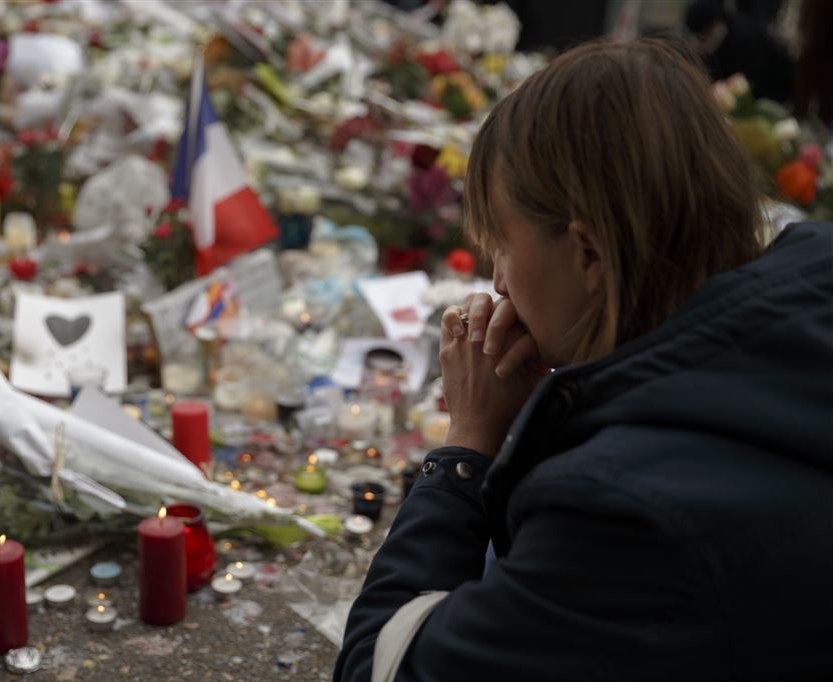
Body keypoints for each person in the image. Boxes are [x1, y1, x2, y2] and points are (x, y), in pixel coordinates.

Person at [334, 38, 832, 681]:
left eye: (504, 249)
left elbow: (381, 668)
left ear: (589, 254)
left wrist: (468, 450)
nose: (499, 286)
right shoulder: (807, 298)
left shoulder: (616, 508)